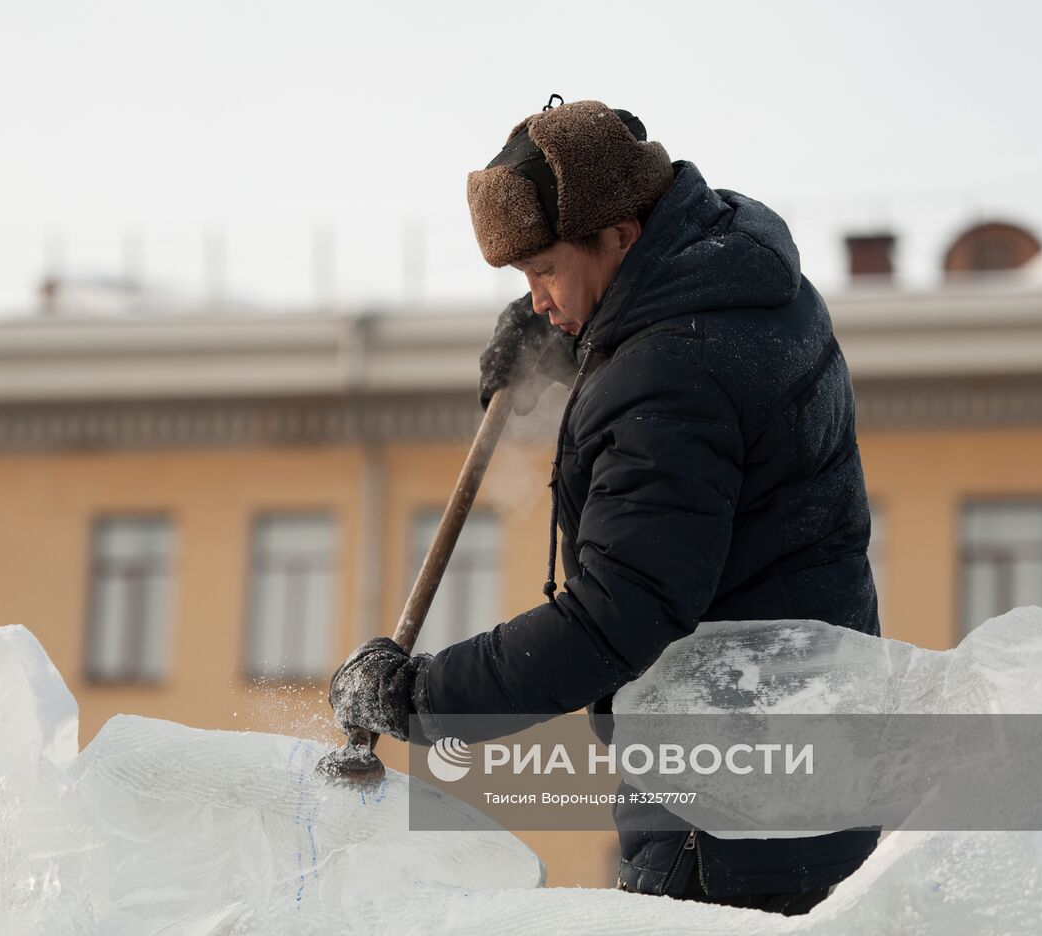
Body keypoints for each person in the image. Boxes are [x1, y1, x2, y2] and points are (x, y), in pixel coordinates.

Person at [328, 98, 879, 914]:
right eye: (524, 279)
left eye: (546, 270)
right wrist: (565, 326)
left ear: (622, 233)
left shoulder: (671, 375)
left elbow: (618, 614)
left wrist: (420, 698)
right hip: (814, 762)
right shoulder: (747, 277)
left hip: (726, 818)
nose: (540, 296)